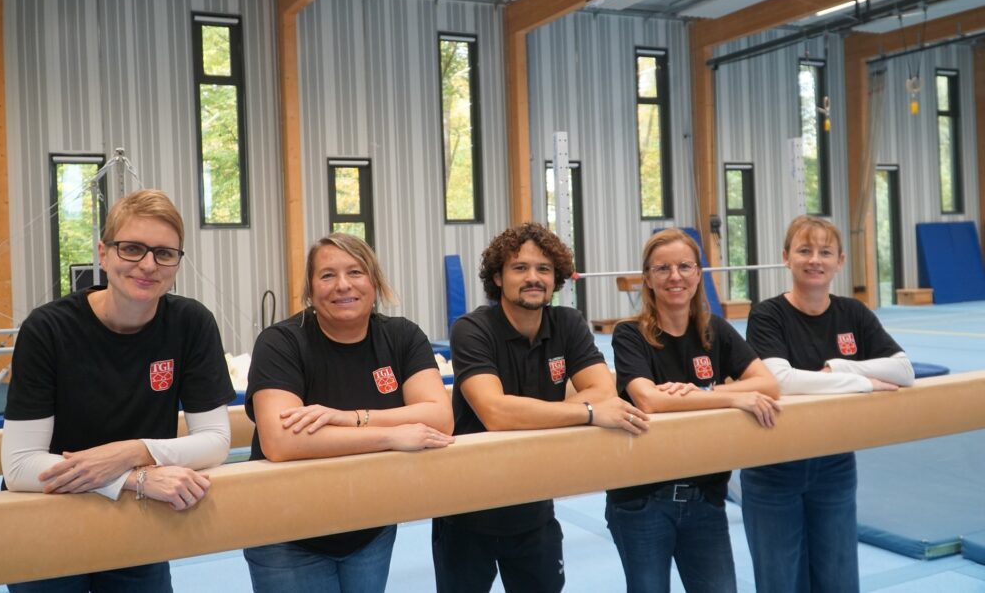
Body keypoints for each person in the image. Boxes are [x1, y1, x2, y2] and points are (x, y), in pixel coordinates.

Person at [2, 188, 236, 592]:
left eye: (164, 253)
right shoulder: (48, 329)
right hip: (46, 517)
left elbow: (216, 441)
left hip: (136, 521)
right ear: (103, 253)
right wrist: (131, 477)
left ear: (177, 263)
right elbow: (20, 466)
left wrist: (131, 452)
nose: (148, 265)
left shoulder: (190, 324)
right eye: (131, 248)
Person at [432, 222, 649, 593]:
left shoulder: (567, 323)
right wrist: (587, 413)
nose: (533, 277)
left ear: (556, 278)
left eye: (543, 269)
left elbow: (603, 389)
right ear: (498, 277)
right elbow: (496, 414)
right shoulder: (472, 329)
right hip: (467, 511)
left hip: (534, 505)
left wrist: (534, 413)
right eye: (520, 268)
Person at [244, 232, 454, 593]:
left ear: (374, 282)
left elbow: (439, 417)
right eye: (327, 275)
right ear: (310, 289)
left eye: (355, 272)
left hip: (369, 526)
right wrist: (391, 436)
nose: (343, 285)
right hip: (287, 530)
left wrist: (353, 417)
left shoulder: (401, 336)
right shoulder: (282, 342)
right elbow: (281, 442)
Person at [743, 215, 915, 593]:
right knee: (780, 582)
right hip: (773, 465)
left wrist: (839, 366)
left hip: (834, 463)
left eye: (825, 252)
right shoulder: (768, 315)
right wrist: (863, 383)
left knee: (839, 580)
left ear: (840, 261)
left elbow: (903, 370)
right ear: (786, 257)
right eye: (804, 250)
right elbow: (779, 382)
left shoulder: (853, 313)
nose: (814, 260)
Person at [607, 228, 780, 593]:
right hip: (642, 499)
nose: (675, 276)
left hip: (705, 496)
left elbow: (767, 384)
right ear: (647, 278)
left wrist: (706, 391)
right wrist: (733, 397)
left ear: (699, 274)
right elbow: (649, 400)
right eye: (663, 268)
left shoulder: (715, 330)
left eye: (685, 266)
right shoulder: (629, 334)